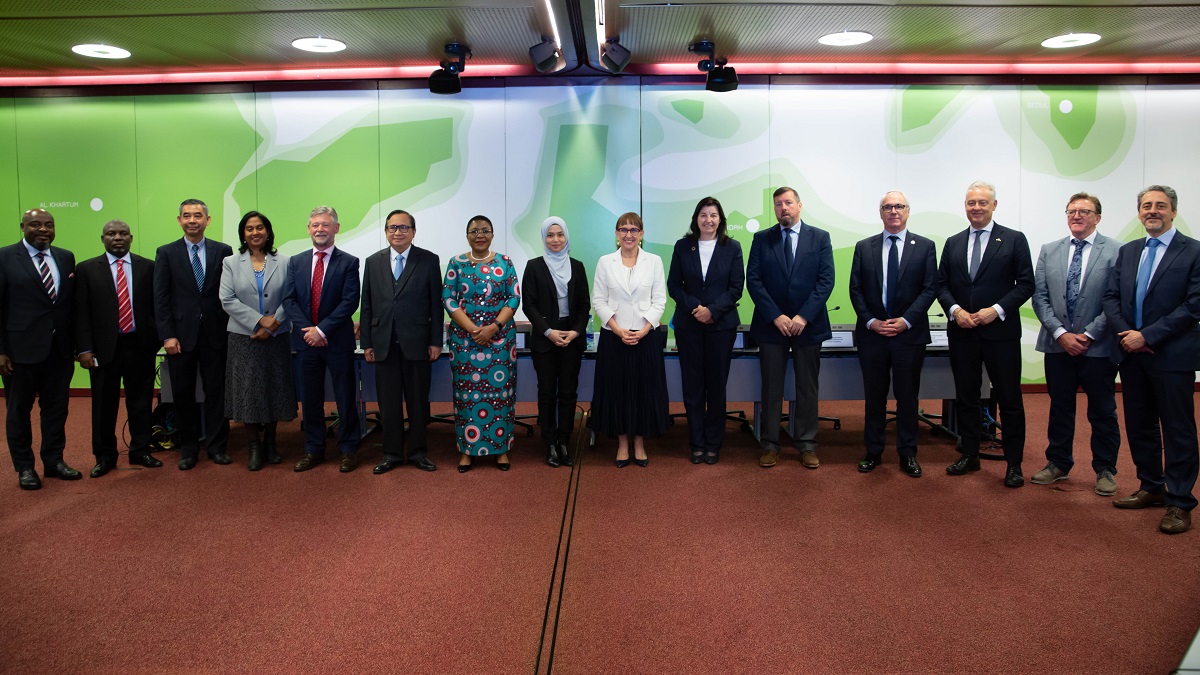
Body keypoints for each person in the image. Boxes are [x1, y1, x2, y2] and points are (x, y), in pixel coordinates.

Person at [1102, 185, 1200, 534]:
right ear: (1139, 212)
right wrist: (1129, 335)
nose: (1152, 211)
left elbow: (1193, 305)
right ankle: (1151, 486)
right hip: (1131, 354)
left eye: (1160, 206)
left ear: (1174, 211)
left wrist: (1149, 335)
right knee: (1140, 425)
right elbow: (1111, 298)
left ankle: (1180, 501)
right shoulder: (1129, 252)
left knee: (1177, 430)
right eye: (1146, 206)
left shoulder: (1193, 252)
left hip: (1172, 355)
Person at [937, 180, 1034, 488]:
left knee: (1008, 398)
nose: (976, 207)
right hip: (963, 332)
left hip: (1000, 333)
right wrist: (955, 311)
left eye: (982, 202)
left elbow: (1026, 285)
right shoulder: (953, 242)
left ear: (994, 205)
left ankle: (1014, 463)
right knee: (965, 397)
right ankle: (969, 454)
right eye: (970, 203)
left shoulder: (1014, 240)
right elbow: (942, 285)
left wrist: (997, 310)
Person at [1030, 192, 1121, 496]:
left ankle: (1106, 469)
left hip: (1098, 347)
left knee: (1103, 410)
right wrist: (1060, 333)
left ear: (1098, 216)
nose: (1077, 216)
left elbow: (1115, 299)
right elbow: (1039, 297)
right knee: (1060, 407)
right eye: (1071, 211)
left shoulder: (1116, 251)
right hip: (1058, 346)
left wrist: (1089, 334)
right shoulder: (1049, 250)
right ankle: (1058, 463)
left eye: (1084, 211)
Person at [847, 190, 938, 478]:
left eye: (899, 206)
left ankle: (908, 453)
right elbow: (856, 289)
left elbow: (929, 288)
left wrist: (907, 321)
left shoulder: (925, 246)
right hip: (873, 335)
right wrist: (871, 321)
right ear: (881, 213)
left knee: (907, 397)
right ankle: (873, 451)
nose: (893, 211)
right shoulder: (864, 247)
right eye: (888, 207)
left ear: (908, 211)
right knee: (874, 397)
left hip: (908, 336)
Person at [746, 187, 834, 469]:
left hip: (808, 326)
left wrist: (803, 316)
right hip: (773, 327)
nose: (782, 208)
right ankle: (770, 444)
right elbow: (754, 281)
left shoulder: (819, 238)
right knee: (772, 388)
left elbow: (825, 280)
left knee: (807, 388)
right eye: (777, 204)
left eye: (787, 203)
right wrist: (777, 316)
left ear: (799, 205)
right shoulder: (762, 239)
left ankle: (807, 444)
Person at [0, 208, 81, 490]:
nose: (43, 229)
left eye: (48, 224)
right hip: (19, 352)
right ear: (23, 226)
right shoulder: (5, 257)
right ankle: (24, 468)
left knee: (56, 410)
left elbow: (69, 307)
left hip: (59, 350)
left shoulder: (65, 257)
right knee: (19, 411)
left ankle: (53, 461)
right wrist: (1, 350)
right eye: (35, 224)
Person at [75, 219, 163, 478]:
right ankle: (104, 456)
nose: (117, 237)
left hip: (140, 345)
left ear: (131, 238)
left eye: (123, 233)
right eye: (111, 234)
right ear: (102, 238)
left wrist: (156, 337)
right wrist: (84, 349)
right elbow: (81, 313)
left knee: (141, 401)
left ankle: (141, 449)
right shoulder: (87, 269)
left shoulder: (148, 267)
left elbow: (158, 307)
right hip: (103, 349)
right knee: (104, 404)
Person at [154, 198, 233, 470]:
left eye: (197, 215)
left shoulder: (223, 251)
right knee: (183, 395)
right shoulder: (166, 253)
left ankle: (217, 447)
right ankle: (188, 449)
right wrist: (167, 335)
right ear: (179, 221)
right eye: (186, 216)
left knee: (217, 393)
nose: (192, 220)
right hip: (180, 338)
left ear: (207, 220)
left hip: (216, 335)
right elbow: (161, 298)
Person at [361, 209, 442, 474]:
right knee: (389, 403)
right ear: (386, 232)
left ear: (413, 231)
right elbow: (367, 304)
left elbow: (435, 305)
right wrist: (367, 343)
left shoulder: (429, 260)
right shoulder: (373, 262)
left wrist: (435, 341)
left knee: (418, 402)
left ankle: (419, 452)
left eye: (403, 228)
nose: (398, 232)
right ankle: (392, 454)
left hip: (418, 342)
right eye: (392, 228)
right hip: (383, 343)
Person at [282, 206, 362, 473]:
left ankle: (349, 449)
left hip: (337, 341)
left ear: (336, 228)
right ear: (308, 229)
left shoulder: (349, 262)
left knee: (345, 397)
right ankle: (313, 449)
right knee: (311, 399)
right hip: (306, 343)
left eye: (326, 225)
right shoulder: (296, 261)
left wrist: (323, 330)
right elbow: (289, 299)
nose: (320, 229)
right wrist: (309, 330)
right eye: (315, 224)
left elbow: (349, 301)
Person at [666, 197, 744, 465]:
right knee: (693, 387)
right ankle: (696, 442)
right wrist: (695, 308)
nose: (708, 220)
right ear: (696, 218)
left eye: (713, 215)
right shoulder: (682, 246)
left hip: (721, 327)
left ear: (720, 218)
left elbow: (736, 287)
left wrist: (712, 310)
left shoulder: (732, 248)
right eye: (703, 215)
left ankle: (713, 443)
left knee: (716, 387)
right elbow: (674, 285)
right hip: (689, 326)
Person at [218, 211, 296, 471]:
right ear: (243, 233)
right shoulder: (230, 262)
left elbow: (290, 297)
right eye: (249, 228)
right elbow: (227, 299)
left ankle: (271, 443)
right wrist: (258, 321)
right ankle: (253, 445)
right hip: (244, 337)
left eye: (260, 227)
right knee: (248, 391)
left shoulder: (284, 261)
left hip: (277, 336)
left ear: (268, 231)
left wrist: (273, 325)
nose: (255, 232)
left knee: (275, 387)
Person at [443, 215, 521, 472]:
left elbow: (513, 298)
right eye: (474, 231)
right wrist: (474, 329)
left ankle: (501, 450)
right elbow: (449, 299)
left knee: (501, 396)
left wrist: (493, 328)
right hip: (466, 343)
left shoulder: (505, 262)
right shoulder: (457, 263)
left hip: (499, 342)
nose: (480, 235)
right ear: (467, 235)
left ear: (492, 234)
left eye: (485, 230)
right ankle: (467, 450)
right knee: (466, 397)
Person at [591, 212, 669, 468]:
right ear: (616, 234)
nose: (628, 234)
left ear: (641, 234)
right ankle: (623, 443)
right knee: (617, 392)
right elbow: (598, 301)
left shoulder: (654, 261)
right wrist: (617, 329)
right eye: (623, 229)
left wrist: (646, 329)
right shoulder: (605, 262)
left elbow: (660, 300)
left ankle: (640, 443)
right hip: (614, 338)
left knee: (643, 392)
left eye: (633, 230)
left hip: (645, 338)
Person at [522, 217, 589, 468]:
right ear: (543, 238)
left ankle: (564, 442)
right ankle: (549, 444)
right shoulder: (534, 266)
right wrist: (548, 331)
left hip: (572, 337)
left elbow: (584, 304)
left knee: (569, 393)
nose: (556, 240)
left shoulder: (578, 266)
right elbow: (528, 304)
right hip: (545, 338)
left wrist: (575, 331)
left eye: (560, 234)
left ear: (566, 236)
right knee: (547, 392)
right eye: (550, 235)